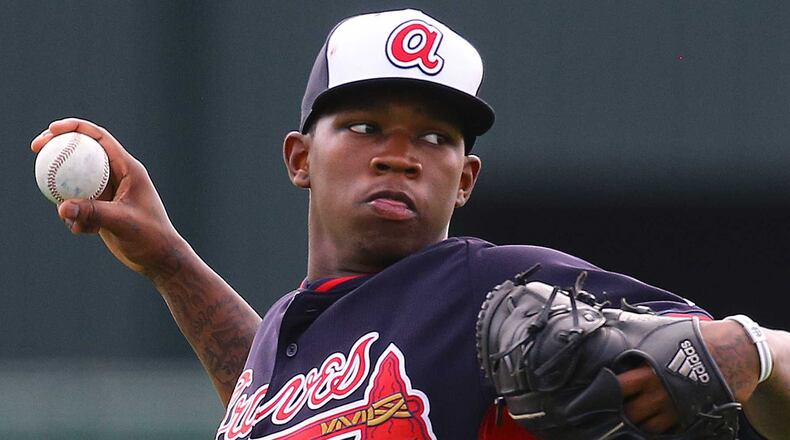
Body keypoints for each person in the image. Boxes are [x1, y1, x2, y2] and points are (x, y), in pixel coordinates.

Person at [31, 8, 789, 440]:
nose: (399, 156)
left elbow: (746, 361)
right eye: (364, 126)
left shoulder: (488, 286)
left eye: (433, 137)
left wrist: (751, 346)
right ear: (300, 158)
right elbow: (281, 407)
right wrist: (169, 259)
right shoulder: (291, 331)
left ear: (464, 180)